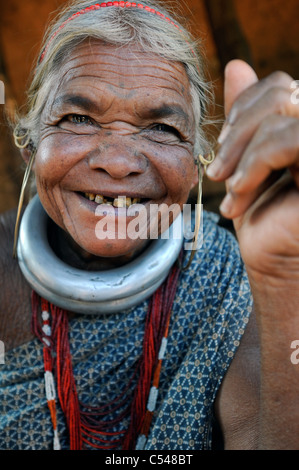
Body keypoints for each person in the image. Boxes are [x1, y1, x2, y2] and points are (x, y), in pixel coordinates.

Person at [0, 0, 298, 451]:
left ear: (197, 167)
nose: (118, 164)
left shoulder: (227, 275)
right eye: (78, 118)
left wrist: (285, 283)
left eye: (161, 128)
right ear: (31, 149)